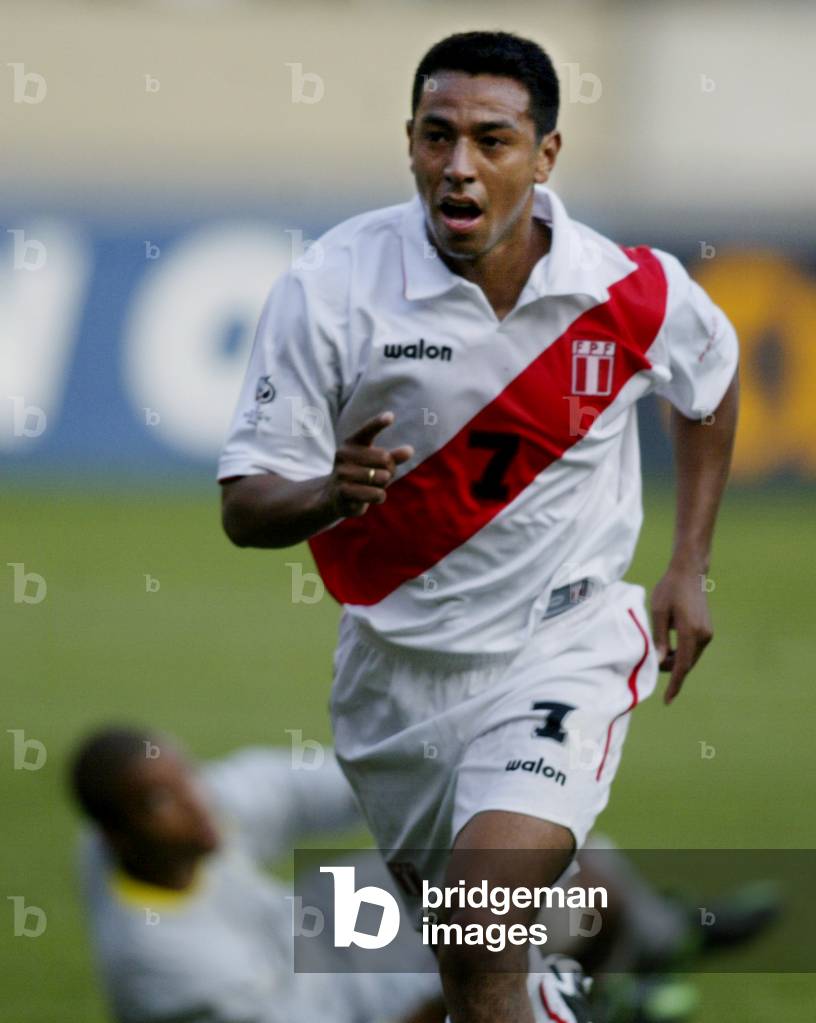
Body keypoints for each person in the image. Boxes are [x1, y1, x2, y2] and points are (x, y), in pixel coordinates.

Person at [217, 30, 739, 1023]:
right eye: (436, 135)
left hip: (564, 645)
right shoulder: (330, 287)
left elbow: (708, 391)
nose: (459, 165)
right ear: (409, 143)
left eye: (491, 140)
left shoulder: (629, 290)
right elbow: (245, 508)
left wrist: (688, 563)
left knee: (485, 911)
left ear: (544, 156)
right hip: (396, 682)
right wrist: (328, 494)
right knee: (470, 969)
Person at [68, 726, 445, 1023]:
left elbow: (297, 789)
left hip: (318, 942)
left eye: (187, 773)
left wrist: (425, 779)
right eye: (159, 801)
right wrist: (455, 986)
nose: (197, 803)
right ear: (117, 838)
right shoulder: (166, 970)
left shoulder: (194, 815)